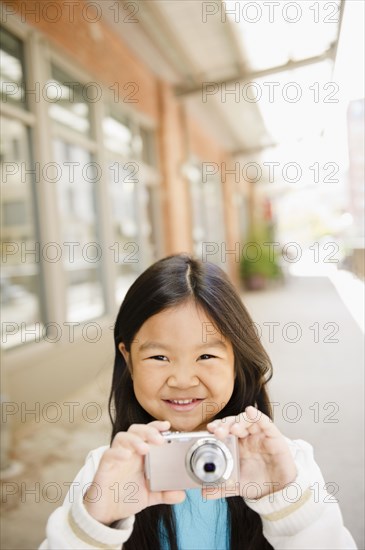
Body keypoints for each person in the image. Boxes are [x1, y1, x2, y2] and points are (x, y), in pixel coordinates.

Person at [40, 254, 357, 549]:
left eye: (206, 355)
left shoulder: (287, 463)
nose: (182, 379)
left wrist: (286, 500)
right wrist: (95, 523)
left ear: (237, 359)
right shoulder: (107, 471)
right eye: (159, 356)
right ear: (128, 358)